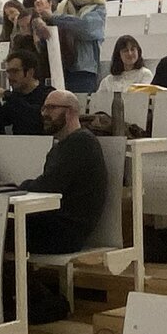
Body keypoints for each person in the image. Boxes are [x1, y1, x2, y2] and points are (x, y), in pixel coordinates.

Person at [15, 90, 107, 255]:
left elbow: (48, 186)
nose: (44, 114)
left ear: (71, 111)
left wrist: (19, 187)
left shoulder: (81, 142)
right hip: (54, 224)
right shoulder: (65, 145)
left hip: (66, 232)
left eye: (51, 108)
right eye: (43, 109)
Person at [43, 0, 106, 94]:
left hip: (84, 68)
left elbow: (84, 28)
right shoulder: (64, 5)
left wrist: (54, 18)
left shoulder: (98, 7)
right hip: (61, 65)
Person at [0, 49, 52, 135]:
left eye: (15, 71)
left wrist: (7, 95)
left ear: (30, 72)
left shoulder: (48, 94)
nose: (9, 77)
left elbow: (36, 118)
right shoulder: (15, 97)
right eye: (8, 72)